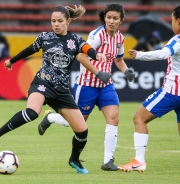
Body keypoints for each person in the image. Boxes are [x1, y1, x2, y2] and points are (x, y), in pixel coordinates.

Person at [0, 5, 110, 174]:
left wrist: (96, 55)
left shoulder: (75, 40)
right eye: (53, 21)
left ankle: (74, 160)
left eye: (60, 21)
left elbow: (86, 49)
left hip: (61, 91)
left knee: (82, 131)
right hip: (42, 83)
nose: (56, 24)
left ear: (68, 21)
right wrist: (12, 61)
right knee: (32, 113)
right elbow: (29, 50)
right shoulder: (45, 37)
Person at [37, 4, 136, 171]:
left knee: (114, 117)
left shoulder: (119, 38)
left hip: (106, 85)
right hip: (87, 85)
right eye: (108, 17)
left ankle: (107, 161)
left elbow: (118, 60)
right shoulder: (97, 35)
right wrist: (97, 73)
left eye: (115, 18)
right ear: (104, 18)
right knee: (76, 123)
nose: (111, 21)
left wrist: (127, 71)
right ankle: (51, 118)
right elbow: (81, 56)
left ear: (121, 20)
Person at [118, 5, 180, 172]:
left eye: (173, 20)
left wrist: (140, 54)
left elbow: (162, 54)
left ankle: (139, 161)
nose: (172, 24)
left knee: (139, 118)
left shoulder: (178, 40)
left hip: (173, 91)